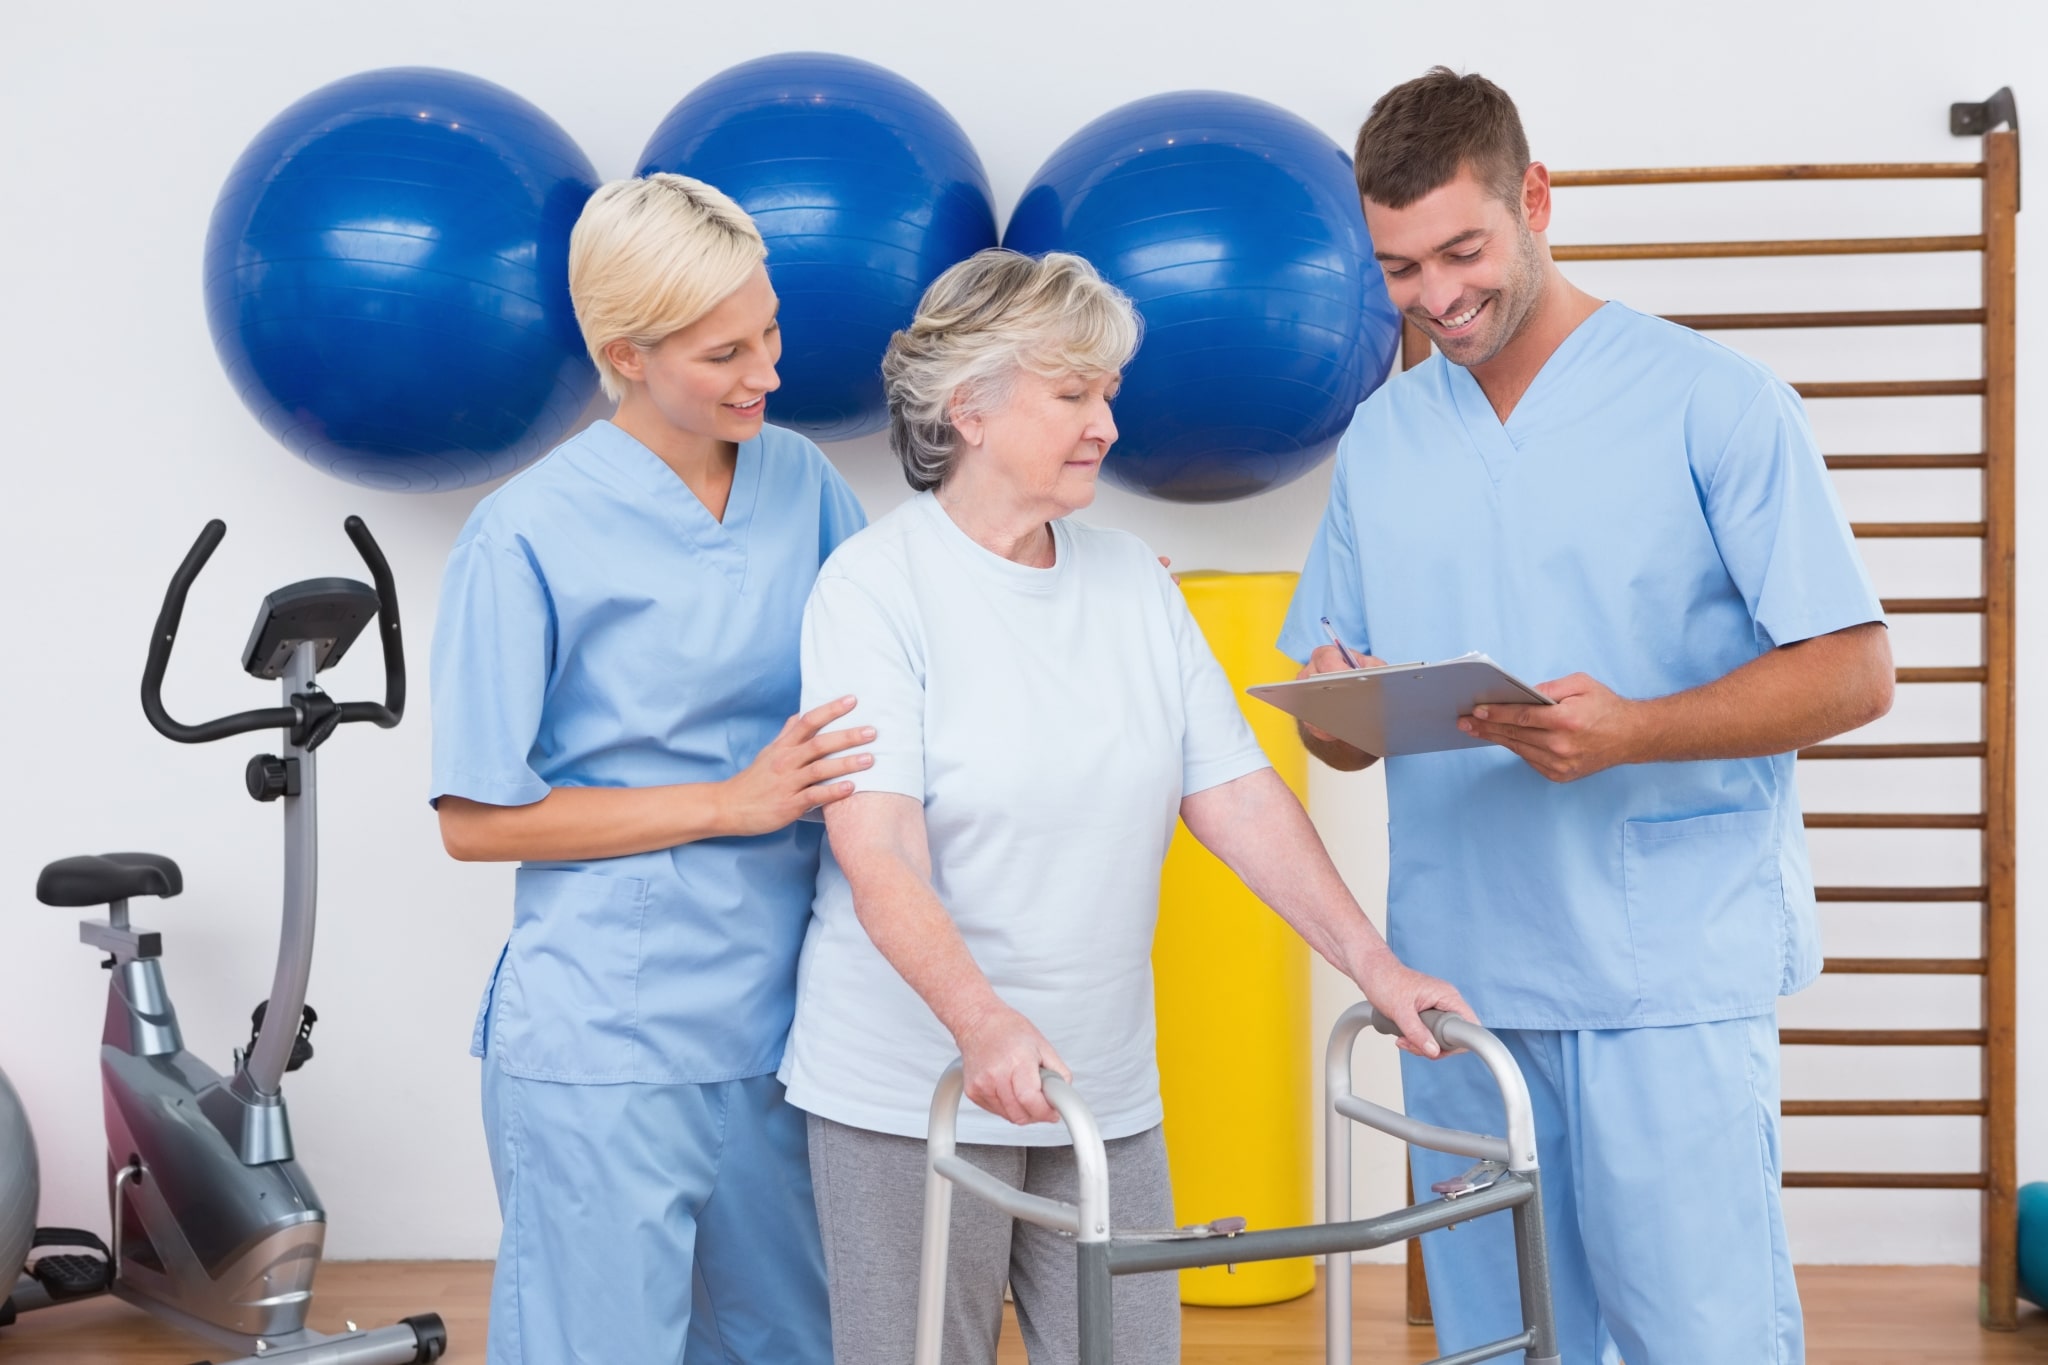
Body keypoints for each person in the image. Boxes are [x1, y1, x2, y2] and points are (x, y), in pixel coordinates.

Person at [1281, 68, 1895, 1365]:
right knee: (1497, 1343)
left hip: (1660, 970)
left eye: (1464, 250)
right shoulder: (1383, 442)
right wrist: (1340, 704)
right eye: (1400, 267)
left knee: (1701, 1340)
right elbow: (1329, 730)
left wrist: (1639, 729)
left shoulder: (1713, 401)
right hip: (1457, 981)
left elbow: (1855, 668)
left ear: (1536, 199)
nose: (1438, 298)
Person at [778, 247, 1473, 1365]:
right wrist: (980, 1020)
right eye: (1072, 393)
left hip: (1101, 1082)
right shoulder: (873, 590)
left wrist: (1372, 964)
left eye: (1108, 390)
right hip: (916, 1086)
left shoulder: (1133, 584)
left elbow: (1240, 798)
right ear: (971, 406)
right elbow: (879, 854)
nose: (1105, 419)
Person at [428, 173, 870, 1364]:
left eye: (770, 329)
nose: (765, 373)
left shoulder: (804, 485)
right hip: (607, 1039)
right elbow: (473, 818)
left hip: (788, 1028)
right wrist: (731, 803)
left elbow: (894, 683)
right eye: (724, 351)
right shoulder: (523, 533)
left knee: (798, 1343)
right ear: (624, 352)